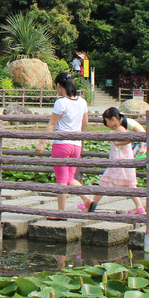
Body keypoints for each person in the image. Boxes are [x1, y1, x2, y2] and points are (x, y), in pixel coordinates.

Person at [36, 73, 92, 213]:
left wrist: (42, 144)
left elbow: (52, 124)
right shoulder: (82, 102)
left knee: (61, 180)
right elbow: (85, 122)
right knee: (69, 178)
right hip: (76, 145)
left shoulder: (61, 102)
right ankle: (87, 200)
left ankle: (61, 213)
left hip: (61, 144)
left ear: (58, 85)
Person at [83, 108, 146, 215]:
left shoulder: (121, 129)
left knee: (104, 182)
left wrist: (116, 143)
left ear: (113, 119)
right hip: (123, 159)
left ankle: (91, 204)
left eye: (107, 121)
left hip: (120, 160)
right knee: (130, 185)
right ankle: (139, 207)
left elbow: (129, 140)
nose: (107, 124)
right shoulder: (120, 128)